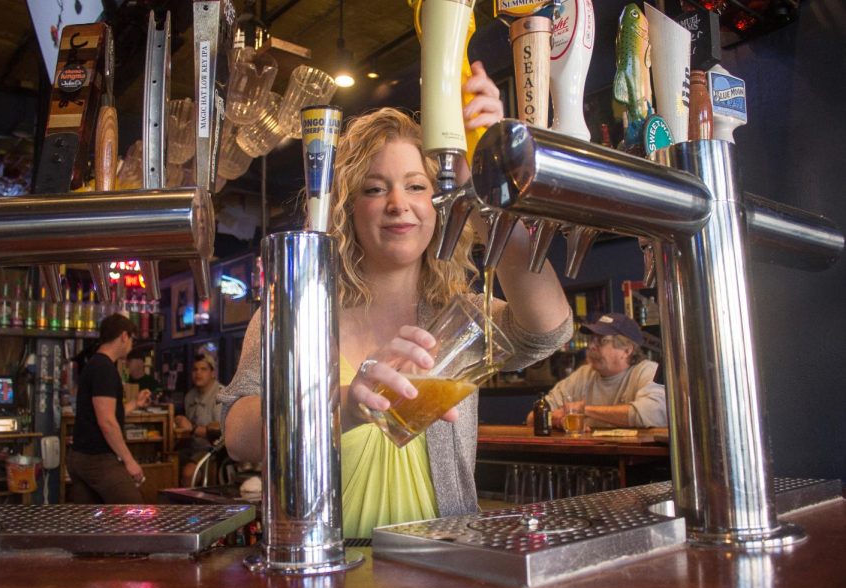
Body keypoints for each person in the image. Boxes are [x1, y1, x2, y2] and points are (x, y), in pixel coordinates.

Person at [221, 61, 573, 538]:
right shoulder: (297, 311)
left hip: (441, 560)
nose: (397, 203)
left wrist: (486, 187)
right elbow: (239, 435)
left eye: (416, 186)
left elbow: (548, 330)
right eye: (374, 188)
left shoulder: (458, 317)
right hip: (320, 560)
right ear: (347, 208)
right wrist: (346, 404)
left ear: (439, 203)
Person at [528, 313, 667, 429]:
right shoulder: (583, 375)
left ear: (626, 350)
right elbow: (533, 418)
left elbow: (653, 414)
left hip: (637, 459)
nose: (592, 346)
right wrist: (556, 420)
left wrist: (584, 410)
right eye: (592, 340)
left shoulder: (647, 371)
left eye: (601, 341)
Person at [67, 313, 152, 503]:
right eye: (132, 339)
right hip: (97, 459)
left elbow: (104, 413)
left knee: (92, 523)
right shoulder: (104, 368)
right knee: (135, 511)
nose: (131, 345)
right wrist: (129, 461)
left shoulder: (94, 364)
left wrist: (134, 404)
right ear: (124, 335)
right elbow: (106, 422)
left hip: (79, 457)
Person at [175, 353, 223, 485]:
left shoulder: (221, 395)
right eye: (195, 369)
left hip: (214, 450)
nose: (198, 373)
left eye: (203, 369)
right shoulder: (190, 396)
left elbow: (219, 431)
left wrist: (192, 428)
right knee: (167, 463)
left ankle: (191, 505)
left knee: (188, 473)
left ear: (213, 373)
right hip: (192, 447)